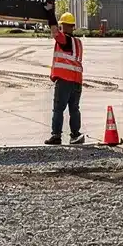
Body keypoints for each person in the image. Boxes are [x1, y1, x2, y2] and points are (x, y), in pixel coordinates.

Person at [46, 11, 85, 145]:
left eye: (62, 25)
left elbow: (54, 31)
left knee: (58, 109)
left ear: (64, 25)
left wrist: (49, 13)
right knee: (74, 109)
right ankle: (76, 135)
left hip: (64, 80)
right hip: (77, 81)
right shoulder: (78, 42)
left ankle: (56, 135)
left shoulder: (65, 40)